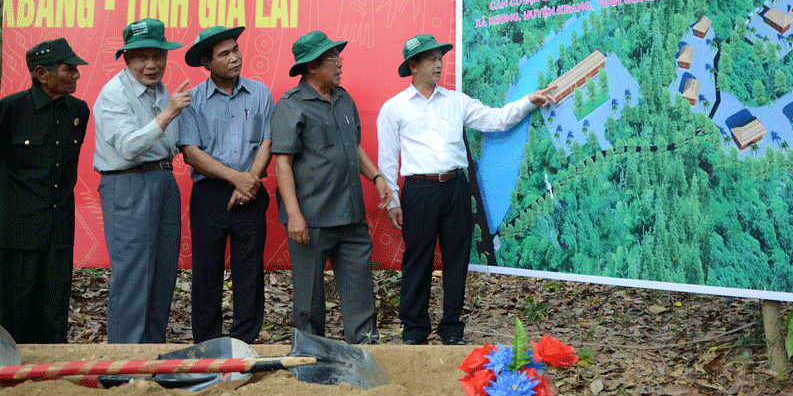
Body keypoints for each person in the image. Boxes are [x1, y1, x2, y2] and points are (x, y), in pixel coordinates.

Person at [376, 34, 551, 345]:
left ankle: (451, 328)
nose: (438, 64)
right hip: (418, 190)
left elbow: (496, 120)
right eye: (430, 59)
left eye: (440, 57)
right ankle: (414, 330)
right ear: (413, 66)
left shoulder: (457, 101)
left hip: (456, 187)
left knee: (457, 259)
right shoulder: (394, 108)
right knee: (418, 259)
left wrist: (528, 101)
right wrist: (393, 201)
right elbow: (387, 160)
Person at [271, 30, 392, 344]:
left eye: (338, 56)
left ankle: (366, 355)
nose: (340, 63)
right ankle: (311, 360)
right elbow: (282, 163)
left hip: (351, 217)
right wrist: (294, 215)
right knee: (309, 301)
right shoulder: (291, 105)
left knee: (361, 294)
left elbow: (355, 148)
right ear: (312, 67)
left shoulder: (343, 99)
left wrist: (377, 178)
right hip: (311, 220)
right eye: (332, 58)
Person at [93, 18, 189, 344]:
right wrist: (167, 114)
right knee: (134, 275)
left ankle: (150, 362)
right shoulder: (113, 94)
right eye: (141, 57)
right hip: (128, 183)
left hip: (162, 180)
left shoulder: (162, 91)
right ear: (127, 58)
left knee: (163, 274)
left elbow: (173, 143)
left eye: (157, 55)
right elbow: (128, 146)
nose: (151, 64)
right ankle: (122, 368)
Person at [178, 26, 273, 344]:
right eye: (224, 54)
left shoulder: (260, 93)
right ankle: (207, 343)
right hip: (210, 194)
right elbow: (191, 153)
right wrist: (237, 178)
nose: (235, 57)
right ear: (207, 61)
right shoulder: (193, 101)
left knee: (250, 270)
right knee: (207, 271)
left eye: (236, 49)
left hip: (252, 191)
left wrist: (250, 181)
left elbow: (267, 140)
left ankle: (245, 341)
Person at [0, 38, 90, 344]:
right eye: (70, 69)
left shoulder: (78, 110)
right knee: (16, 308)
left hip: (59, 230)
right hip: (18, 232)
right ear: (42, 73)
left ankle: (53, 380)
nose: (77, 75)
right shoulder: (10, 110)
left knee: (55, 310)